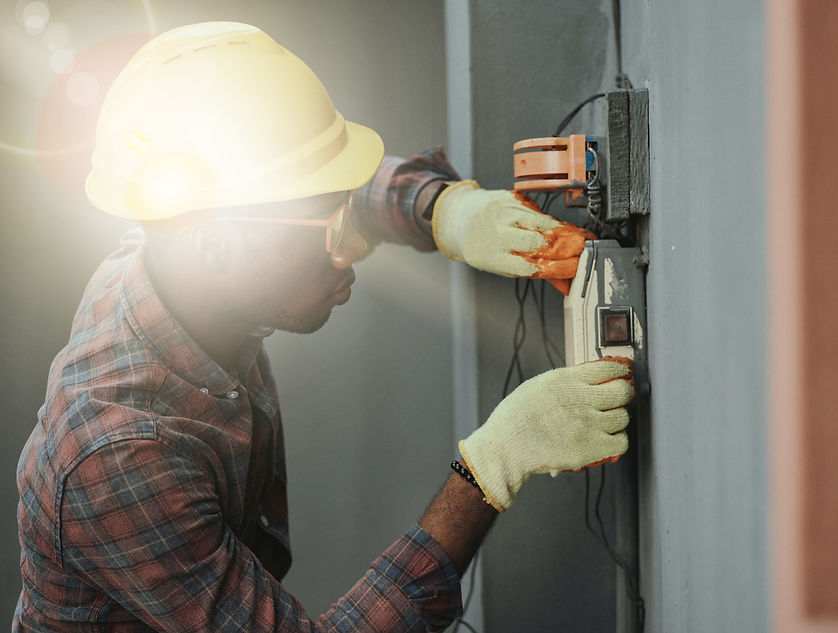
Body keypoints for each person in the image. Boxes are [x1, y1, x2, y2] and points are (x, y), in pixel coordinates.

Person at [14, 22, 635, 633]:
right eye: (331, 233)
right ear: (215, 246)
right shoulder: (118, 453)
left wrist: (442, 210)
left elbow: (307, 190)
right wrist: (494, 465)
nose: (352, 252)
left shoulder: (177, 241)